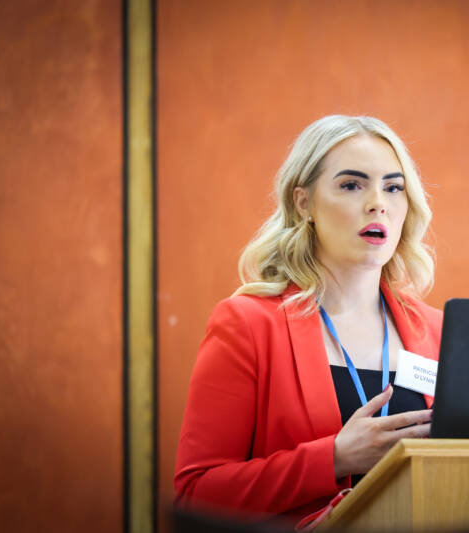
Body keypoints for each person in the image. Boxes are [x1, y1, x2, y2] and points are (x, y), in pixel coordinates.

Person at [174, 115, 442, 522]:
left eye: (393, 187)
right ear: (304, 203)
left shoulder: (439, 331)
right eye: (352, 185)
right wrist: (333, 458)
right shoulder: (247, 325)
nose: (378, 203)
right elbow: (195, 495)